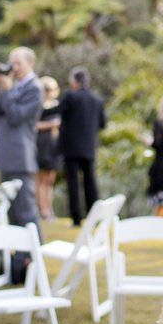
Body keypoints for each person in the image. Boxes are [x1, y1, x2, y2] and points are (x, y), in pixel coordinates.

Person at [0, 47, 43, 231]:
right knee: (13, 213)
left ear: (30, 63)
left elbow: (16, 116)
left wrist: (7, 88)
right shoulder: (14, 87)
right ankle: (20, 257)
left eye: (18, 63)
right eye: (12, 63)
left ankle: (34, 254)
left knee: (26, 211)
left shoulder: (35, 88)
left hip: (20, 156)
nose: (14, 68)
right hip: (6, 156)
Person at [58, 65, 106, 227]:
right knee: (90, 183)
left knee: (73, 184)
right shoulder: (97, 100)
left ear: (74, 81)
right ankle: (94, 217)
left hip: (71, 147)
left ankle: (76, 218)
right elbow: (102, 124)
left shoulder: (70, 97)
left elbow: (58, 112)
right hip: (88, 146)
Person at [35, 76, 62, 221]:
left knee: (49, 181)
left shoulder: (57, 106)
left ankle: (49, 210)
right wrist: (50, 124)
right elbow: (34, 125)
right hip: (41, 145)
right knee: (40, 180)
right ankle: (42, 211)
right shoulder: (38, 106)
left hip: (54, 146)